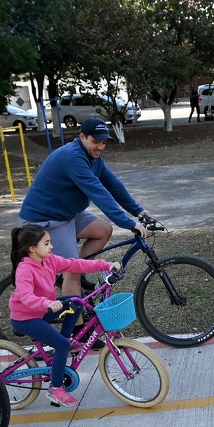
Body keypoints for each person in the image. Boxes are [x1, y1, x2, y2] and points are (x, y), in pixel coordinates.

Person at [18, 116, 151, 298]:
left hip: (67, 214)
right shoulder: (73, 157)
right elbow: (98, 193)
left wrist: (138, 210)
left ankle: (75, 275)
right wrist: (128, 222)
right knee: (72, 270)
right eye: (96, 141)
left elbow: (113, 185)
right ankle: (75, 313)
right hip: (45, 220)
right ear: (82, 137)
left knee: (103, 230)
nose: (100, 147)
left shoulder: (94, 158)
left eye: (104, 142)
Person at [7, 224, 119, 408]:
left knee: (76, 301)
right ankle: (56, 389)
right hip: (26, 317)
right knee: (61, 345)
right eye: (46, 243)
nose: (51, 246)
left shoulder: (49, 260)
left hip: (43, 310)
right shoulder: (24, 269)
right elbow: (26, 297)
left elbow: (76, 264)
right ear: (32, 249)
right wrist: (47, 303)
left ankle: (68, 338)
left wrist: (106, 265)